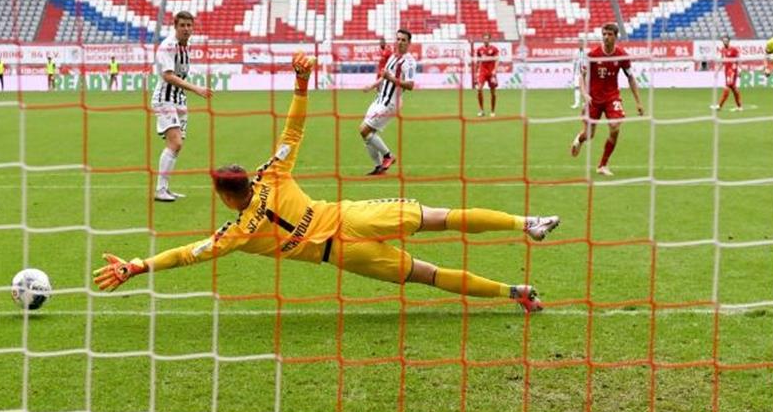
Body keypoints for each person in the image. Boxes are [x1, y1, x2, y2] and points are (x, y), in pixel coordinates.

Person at [94, 53, 558, 312]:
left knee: (428, 275)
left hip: (341, 254)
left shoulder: (235, 234)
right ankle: (527, 222)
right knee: (441, 218)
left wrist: (138, 265)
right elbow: (292, 130)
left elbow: (184, 255)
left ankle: (512, 293)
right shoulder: (271, 174)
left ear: (222, 195)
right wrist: (300, 84)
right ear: (244, 178)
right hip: (349, 215)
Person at [152, 11, 212, 202]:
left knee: (177, 146)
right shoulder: (168, 46)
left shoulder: (187, 46)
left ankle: (165, 188)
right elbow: (168, 76)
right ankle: (159, 190)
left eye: (189, 25)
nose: (186, 29)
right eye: (182, 25)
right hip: (165, 99)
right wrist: (196, 89)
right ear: (175, 26)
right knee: (175, 142)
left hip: (179, 99)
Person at [570, 24, 644, 177]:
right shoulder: (593, 55)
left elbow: (630, 77)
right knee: (589, 134)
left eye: (609, 34)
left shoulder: (622, 55)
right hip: (594, 99)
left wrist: (638, 102)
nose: (606, 37)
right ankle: (579, 139)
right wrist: (585, 94)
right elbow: (582, 77)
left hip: (612, 97)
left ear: (616, 36)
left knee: (615, 127)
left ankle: (602, 165)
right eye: (604, 34)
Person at [360, 29, 416, 175]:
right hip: (379, 99)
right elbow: (385, 75)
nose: (400, 42)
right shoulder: (393, 56)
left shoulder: (409, 62)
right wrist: (372, 85)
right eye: (398, 39)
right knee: (367, 134)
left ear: (409, 43)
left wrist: (391, 79)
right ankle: (379, 167)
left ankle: (388, 156)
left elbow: (410, 85)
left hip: (390, 103)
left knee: (364, 130)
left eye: (404, 40)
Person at [710, 36, 743, 112]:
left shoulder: (734, 49)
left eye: (726, 41)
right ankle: (739, 107)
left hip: (732, 70)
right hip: (727, 70)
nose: (725, 42)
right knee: (733, 88)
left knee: (727, 86)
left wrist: (740, 69)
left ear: (729, 41)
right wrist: (717, 70)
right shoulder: (722, 50)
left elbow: (739, 60)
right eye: (723, 41)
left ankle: (719, 106)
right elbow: (722, 62)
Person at [473, 34, 500, 117]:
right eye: (484, 39)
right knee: (479, 89)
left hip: (491, 73)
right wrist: (475, 72)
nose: (485, 40)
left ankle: (492, 111)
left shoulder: (494, 49)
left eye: (487, 39)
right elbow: (478, 61)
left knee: (493, 92)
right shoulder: (479, 50)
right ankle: (481, 110)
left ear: (489, 40)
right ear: (483, 40)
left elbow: (497, 60)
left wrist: (495, 70)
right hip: (482, 72)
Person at [570, 39, 586, 109]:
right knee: (577, 87)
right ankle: (577, 103)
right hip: (577, 72)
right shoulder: (576, 52)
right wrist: (573, 73)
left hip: (585, 73)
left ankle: (585, 102)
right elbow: (574, 63)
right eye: (579, 43)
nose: (580, 45)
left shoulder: (586, 52)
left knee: (584, 88)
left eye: (581, 43)